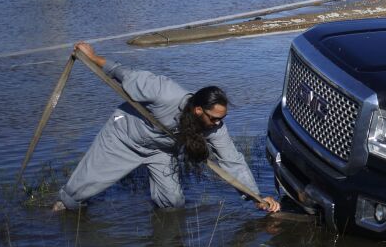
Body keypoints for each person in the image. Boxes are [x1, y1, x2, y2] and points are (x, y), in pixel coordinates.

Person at [53, 42, 280, 214]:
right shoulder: (164, 92)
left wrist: (256, 196)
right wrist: (92, 57)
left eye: (222, 118)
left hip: (160, 151)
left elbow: (233, 161)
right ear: (198, 110)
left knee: (173, 205)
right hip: (124, 137)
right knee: (74, 197)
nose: (218, 124)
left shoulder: (214, 127)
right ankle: (58, 211)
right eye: (214, 118)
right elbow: (124, 73)